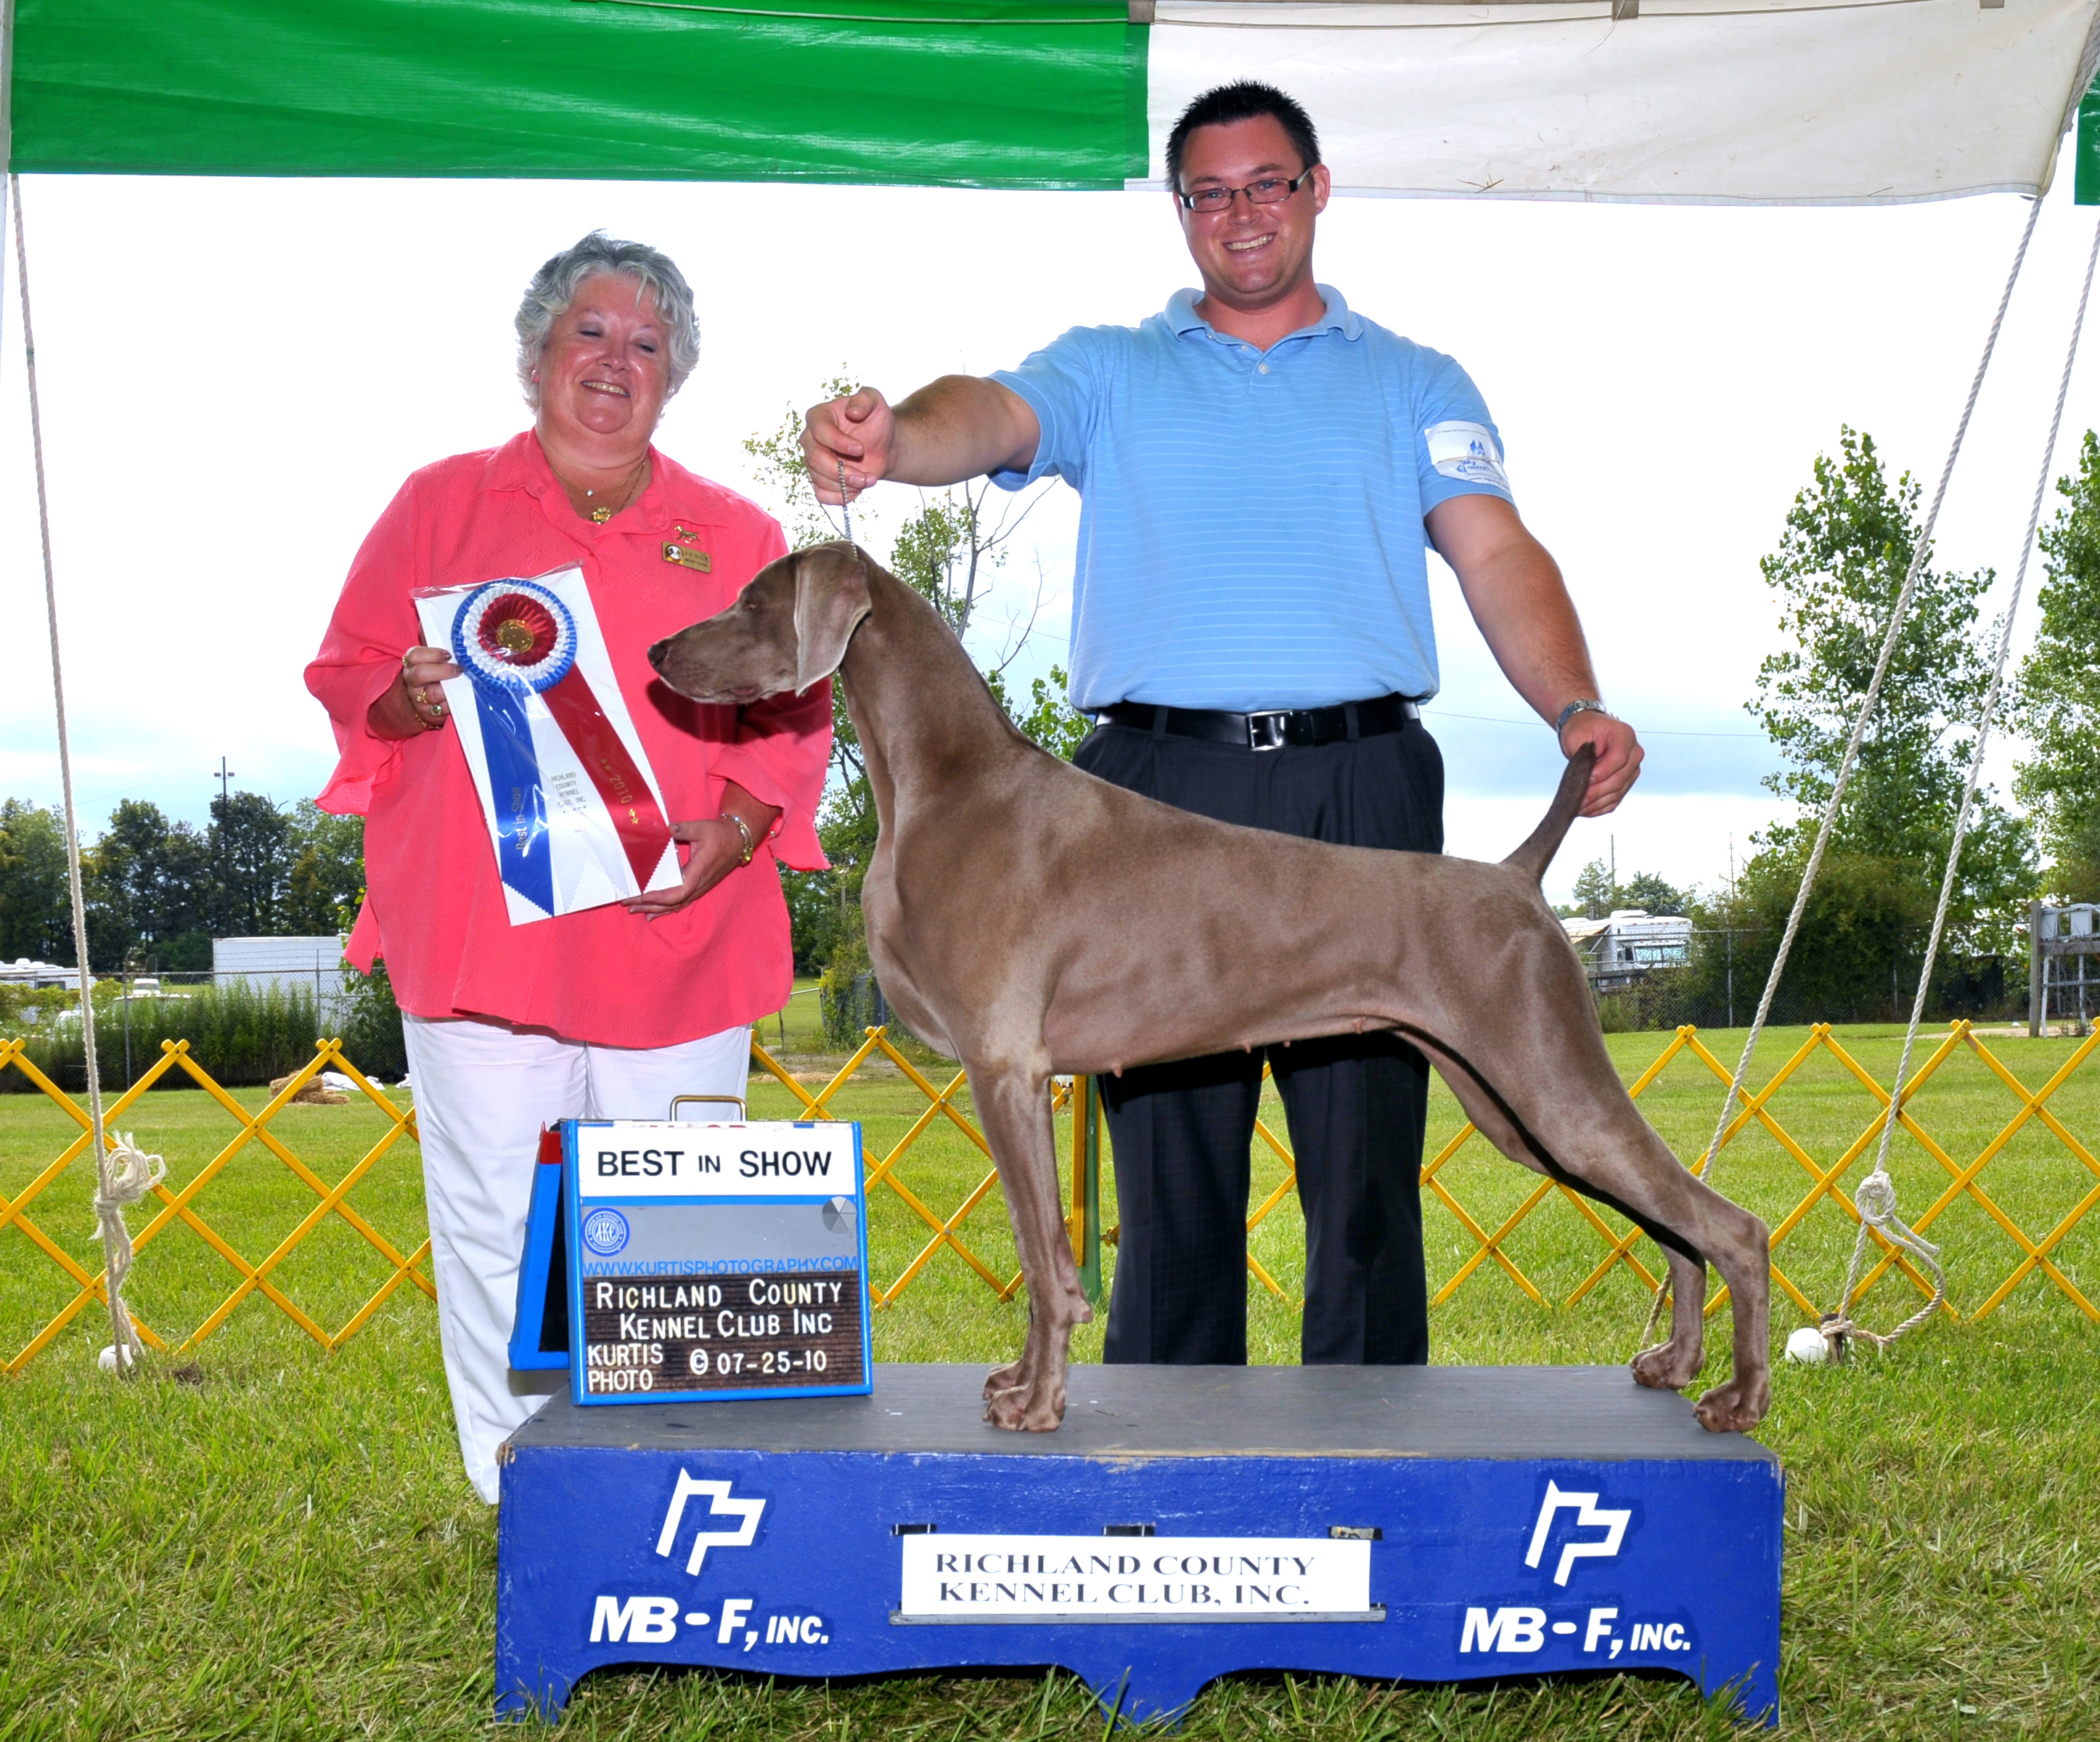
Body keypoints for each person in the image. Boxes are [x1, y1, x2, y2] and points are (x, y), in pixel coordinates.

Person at [801, 83, 1643, 1371]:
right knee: (1171, 1199)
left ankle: (1367, 1455)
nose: (1240, 213)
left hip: (1361, 790)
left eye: (1266, 184)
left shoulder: (1416, 381)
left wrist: (1572, 703)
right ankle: (1168, 1462)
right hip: (1149, 803)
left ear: (1316, 189)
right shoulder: (1110, 367)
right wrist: (897, 438)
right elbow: (995, 414)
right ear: (1181, 210)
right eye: (1209, 193)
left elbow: (1495, 553)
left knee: (1365, 1190)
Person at [307, 232, 830, 1502]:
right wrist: (403, 698)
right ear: (536, 353)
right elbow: (348, 672)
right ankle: (523, 1501)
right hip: (483, 939)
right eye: (589, 332)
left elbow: (797, 710)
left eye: (647, 343)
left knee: (680, 1246)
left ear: (676, 375)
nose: (615, 360)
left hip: (679, 935)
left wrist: (741, 829)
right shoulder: (434, 504)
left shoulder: (741, 530)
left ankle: (672, 1498)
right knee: (496, 1231)